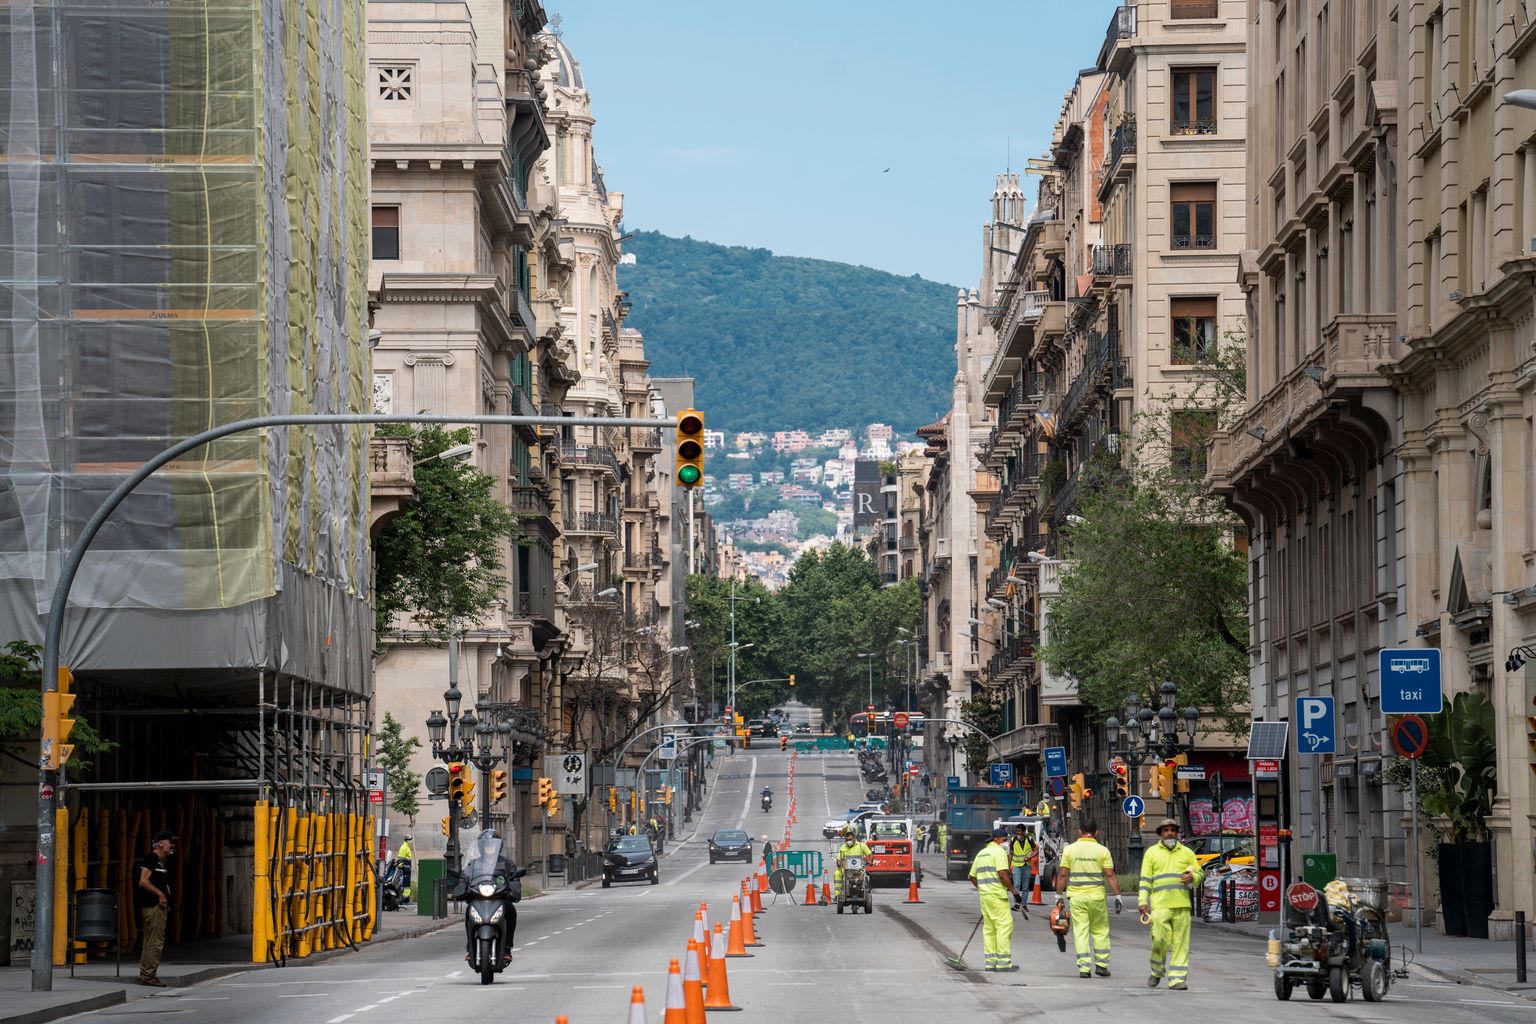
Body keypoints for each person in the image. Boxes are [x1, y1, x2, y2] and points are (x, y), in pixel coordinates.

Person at [1139, 819, 1203, 991]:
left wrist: (1193, 878)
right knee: (1159, 940)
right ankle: (1157, 971)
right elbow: (1145, 880)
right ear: (1160, 833)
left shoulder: (1187, 853)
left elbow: (1199, 873)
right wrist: (1142, 901)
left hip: (1182, 905)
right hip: (1160, 906)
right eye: (1166, 830)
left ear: (1177, 833)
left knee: (1181, 944)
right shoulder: (1151, 853)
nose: (1169, 833)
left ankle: (1177, 979)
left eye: (1172, 830)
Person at [1054, 819, 1122, 979]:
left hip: (1077, 897)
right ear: (1096, 832)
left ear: (1079, 831)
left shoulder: (1070, 850)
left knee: (1081, 932)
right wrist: (1118, 896)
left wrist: (1058, 895)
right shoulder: (1102, 851)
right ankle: (1102, 965)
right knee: (1100, 931)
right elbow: (1110, 875)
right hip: (1097, 897)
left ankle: (1084, 968)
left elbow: (1063, 874)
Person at [968, 826, 1019, 972]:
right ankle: (1003, 962)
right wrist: (1014, 891)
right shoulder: (999, 852)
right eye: (1005, 839)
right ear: (997, 839)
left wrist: (983, 888)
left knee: (989, 929)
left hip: (985, 896)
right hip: (997, 895)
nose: (1007, 842)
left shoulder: (981, 853)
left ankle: (990, 962)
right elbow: (1003, 874)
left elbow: (972, 876)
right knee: (1004, 926)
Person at [135, 830, 175, 986]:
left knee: (150, 940)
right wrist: (161, 894)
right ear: (160, 843)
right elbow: (143, 881)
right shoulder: (152, 858)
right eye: (169, 842)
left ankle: (145, 973)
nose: (171, 845)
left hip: (156, 906)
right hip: (154, 906)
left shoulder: (159, 861)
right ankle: (149, 975)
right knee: (156, 941)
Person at [833, 828, 871, 897]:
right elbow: (839, 859)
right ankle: (838, 895)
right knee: (837, 873)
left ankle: (862, 892)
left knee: (866, 877)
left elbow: (870, 854)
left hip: (859, 869)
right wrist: (838, 863)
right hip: (846, 869)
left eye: (850, 840)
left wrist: (870, 861)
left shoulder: (861, 846)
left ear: (854, 838)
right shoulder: (843, 847)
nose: (848, 841)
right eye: (847, 840)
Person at [1009, 824, 1036, 909]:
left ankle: (1024, 905)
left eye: (1019, 831)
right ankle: (1017, 904)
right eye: (1016, 831)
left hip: (1026, 865)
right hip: (1016, 865)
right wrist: (1008, 865)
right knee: (1016, 884)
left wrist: (1030, 857)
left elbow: (1035, 850)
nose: (1017, 833)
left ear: (1024, 832)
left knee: (1025, 886)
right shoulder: (1013, 840)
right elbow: (1011, 853)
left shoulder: (1029, 839)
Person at [396, 833, 414, 901]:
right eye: (410, 840)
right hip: (405, 868)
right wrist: (400, 867)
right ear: (406, 840)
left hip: (407, 867)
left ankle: (406, 897)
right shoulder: (404, 847)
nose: (411, 841)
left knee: (407, 883)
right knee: (405, 883)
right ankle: (405, 897)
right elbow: (400, 858)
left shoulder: (407, 847)